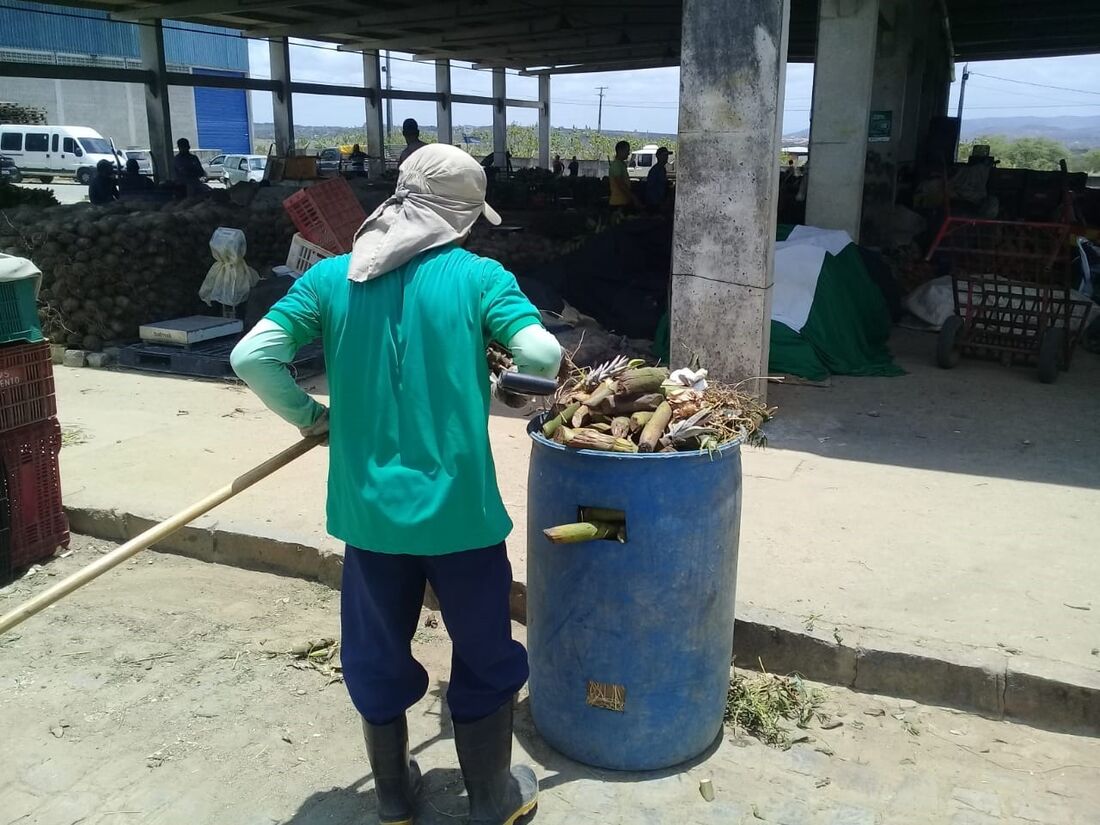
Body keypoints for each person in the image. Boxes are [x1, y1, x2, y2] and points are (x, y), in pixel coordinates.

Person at [231, 143, 560, 825]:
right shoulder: (479, 276)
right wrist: (513, 389)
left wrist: (311, 417)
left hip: (370, 518)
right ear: (460, 218)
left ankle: (390, 799)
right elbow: (542, 356)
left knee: (374, 652)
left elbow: (252, 355)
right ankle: (493, 797)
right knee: (485, 651)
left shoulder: (330, 281)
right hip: (461, 516)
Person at [608, 140, 637, 214]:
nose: (628, 153)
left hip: (623, 201)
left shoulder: (622, 164)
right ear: (620, 151)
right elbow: (621, 184)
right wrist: (633, 197)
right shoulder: (616, 165)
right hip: (618, 203)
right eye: (627, 150)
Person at [644, 146, 672, 213]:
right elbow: (650, 187)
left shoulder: (662, 169)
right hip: (656, 202)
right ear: (658, 156)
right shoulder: (655, 170)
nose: (666, 157)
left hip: (660, 201)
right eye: (664, 155)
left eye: (667, 155)